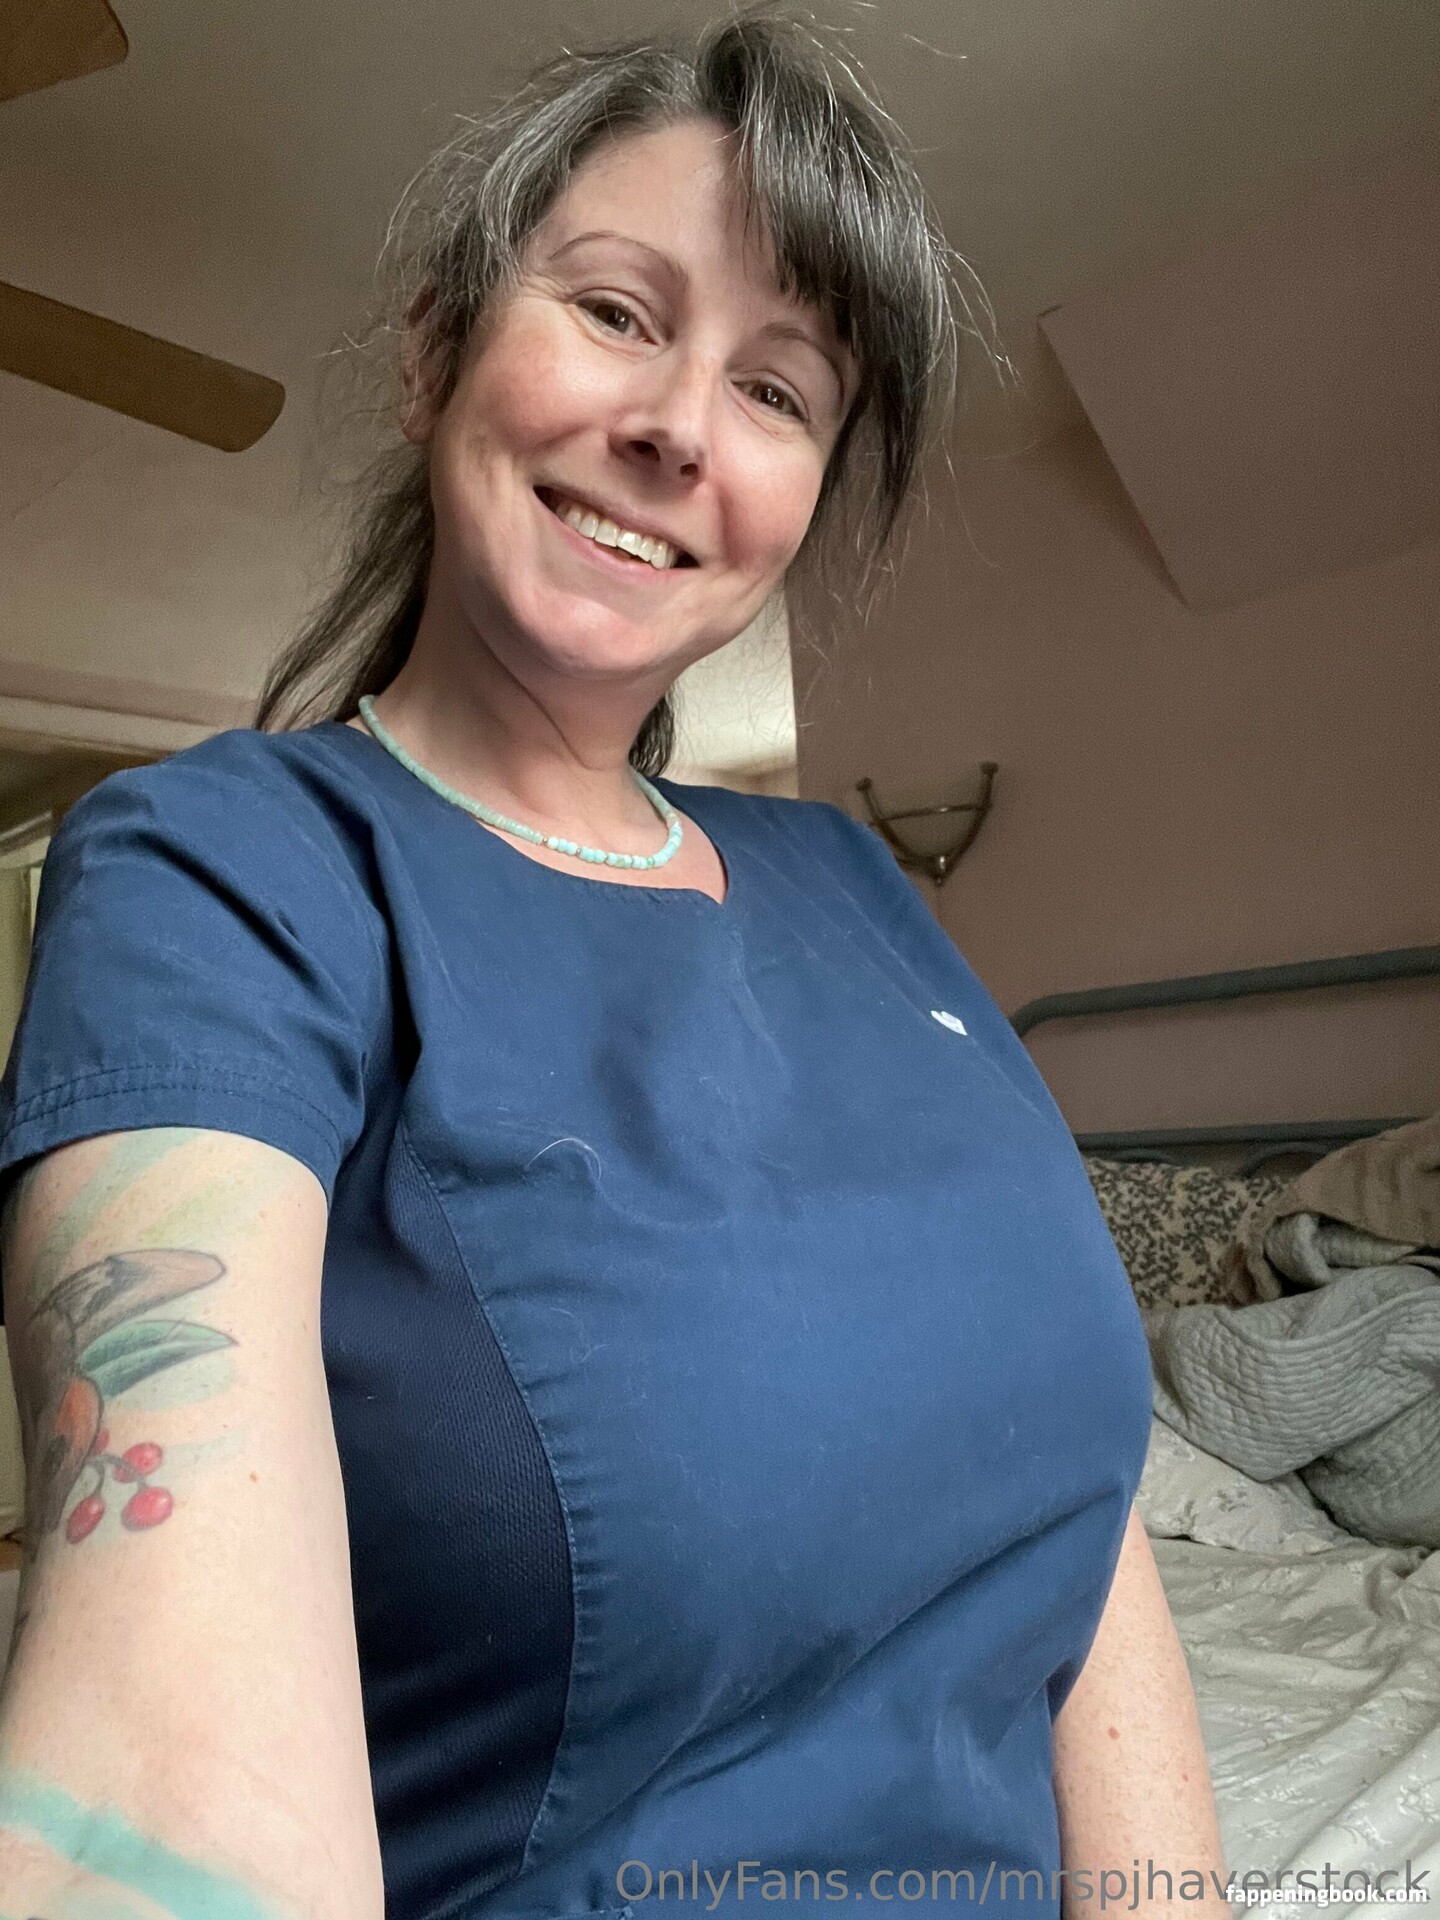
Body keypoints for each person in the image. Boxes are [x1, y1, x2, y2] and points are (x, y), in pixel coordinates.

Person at [0, 11, 1226, 1919]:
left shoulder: (859, 883)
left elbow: (1088, 1511)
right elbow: (166, 1748)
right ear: (435, 352)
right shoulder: (226, 871)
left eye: (779, 390)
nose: (678, 427)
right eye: (615, 310)